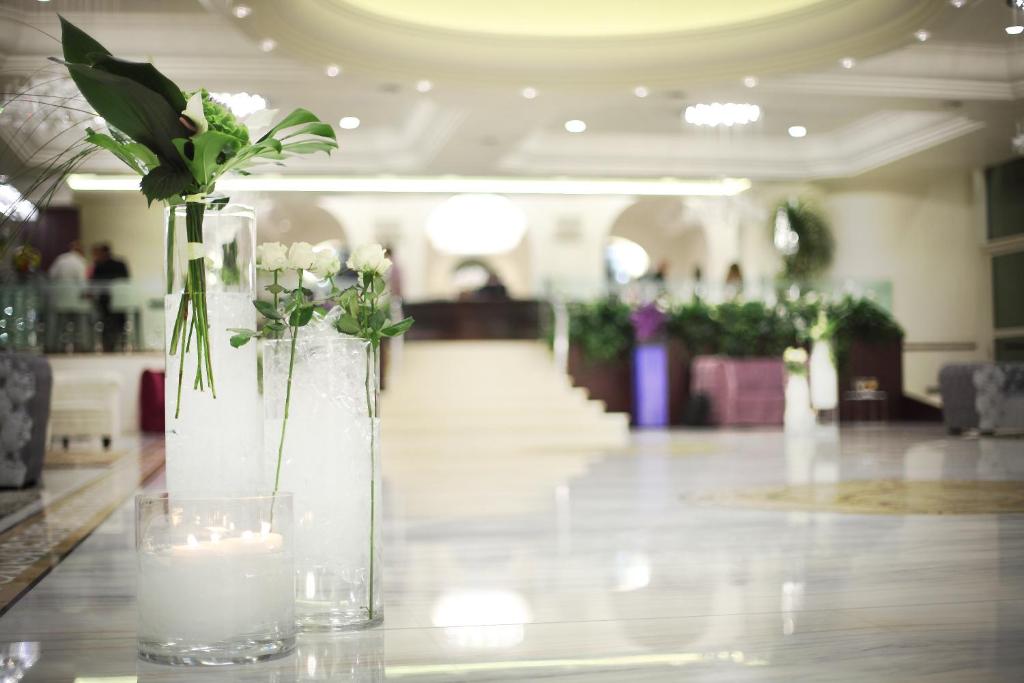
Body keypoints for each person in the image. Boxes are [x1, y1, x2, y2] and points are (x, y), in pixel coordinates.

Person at [90, 244, 130, 351]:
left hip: (106, 301)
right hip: (119, 301)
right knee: (117, 321)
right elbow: (126, 280)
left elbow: (94, 283)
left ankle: (108, 345)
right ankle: (121, 343)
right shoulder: (120, 264)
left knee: (106, 321)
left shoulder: (99, 266)